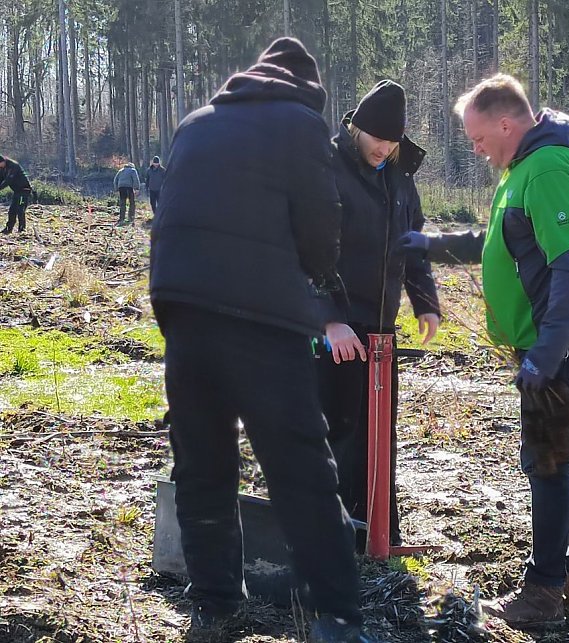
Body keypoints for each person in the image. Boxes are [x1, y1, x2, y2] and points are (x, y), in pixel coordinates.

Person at [149, 37, 373, 643]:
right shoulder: (301, 124)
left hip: (185, 311)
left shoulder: (195, 122)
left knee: (201, 461)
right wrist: (318, 287)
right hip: (263, 319)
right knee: (300, 466)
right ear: (308, 89)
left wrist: (175, 311)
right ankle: (337, 617)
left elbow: (166, 218)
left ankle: (214, 604)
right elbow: (321, 226)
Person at [400, 74, 569, 629]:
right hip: (547, 338)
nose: (475, 149)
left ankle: (544, 594)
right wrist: (430, 244)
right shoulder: (521, 169)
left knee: (547, 460)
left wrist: (546, 354)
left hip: (559, 341)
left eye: (477, 138)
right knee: (568, 454)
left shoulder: (546, 171)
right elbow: (499, 242)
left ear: (505, 123)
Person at [318, 79, 441, 550]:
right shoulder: (327, 168)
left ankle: (379, 532)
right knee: (338, 431)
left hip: (381, 331)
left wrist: (425, 302)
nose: (384, 149)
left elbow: (413, 246)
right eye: (377, 138)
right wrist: (329, 319)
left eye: (392, 141)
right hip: (336, 330)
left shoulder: (400, 177)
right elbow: (308, 249)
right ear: (356, 128)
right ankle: (332, 536)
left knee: (378, 434)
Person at [0, 155, 33, 234]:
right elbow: (1, 179)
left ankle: (22, 229)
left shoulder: (13, 166)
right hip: (17, 191)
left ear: (3, 161)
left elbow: (8, 180)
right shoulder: (2, 168)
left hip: (24, 189)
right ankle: (9, 228)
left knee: (20, 209)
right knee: (12, 210)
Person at [113, 161, 140, 226]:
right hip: (128, 187)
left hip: (121, 187)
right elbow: (136, 179)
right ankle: (131, 218)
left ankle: (121, 218)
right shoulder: (133, 170)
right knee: (132, 203)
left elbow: (115, 180)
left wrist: (116, 189)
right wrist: (137, 188)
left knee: (122, 203)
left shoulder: (120, 171)